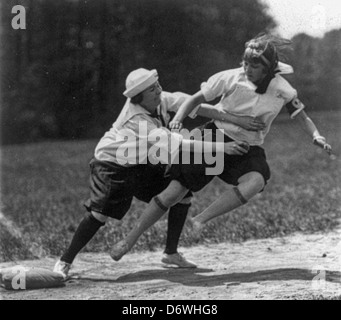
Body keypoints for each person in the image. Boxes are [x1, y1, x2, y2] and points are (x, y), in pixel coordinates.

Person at [110, 34, 332, 261]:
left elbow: (303, 117)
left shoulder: (283, 89)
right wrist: (178, 118)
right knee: (173, 193)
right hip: (214, 136)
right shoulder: (230, 78)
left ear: (268, 68)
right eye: (245, 63)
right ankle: (129, 240)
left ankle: (200, 220)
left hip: (247, 146)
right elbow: (194, 99)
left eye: (254, 65)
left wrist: (317, 135)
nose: (248, 69)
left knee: (256, 180)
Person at [53, 68, 251, 279]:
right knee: (99, 214)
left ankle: (171, 254)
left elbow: (194, 104)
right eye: (151, 90)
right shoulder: (136, 119)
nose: (158, 91)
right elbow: (179, 144)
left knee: (182, 194)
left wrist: (232, 118)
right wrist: (222, 148)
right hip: (113, 163)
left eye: (157, 85)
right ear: (139, 97)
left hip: (141, 162)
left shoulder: (161, 99)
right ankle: (64, 261)